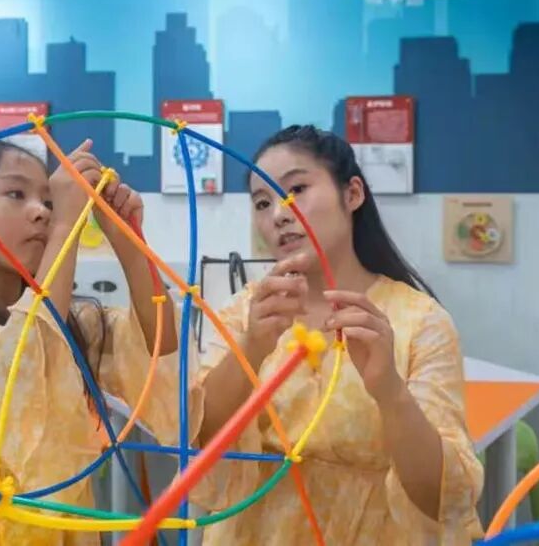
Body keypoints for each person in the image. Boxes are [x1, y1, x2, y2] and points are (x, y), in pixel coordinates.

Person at [195, 125, 483, 544]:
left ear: (353, 194)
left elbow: (442, 498)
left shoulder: (419, 322)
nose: (278, 214)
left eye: (297, 189)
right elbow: (200, 440)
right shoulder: (246, 313)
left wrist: (390, 391)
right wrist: (252, 348)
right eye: (262, 202)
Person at [0, 140, 200, 545]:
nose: (42, 211)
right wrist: (64, 227)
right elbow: (19, 368)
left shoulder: (72, 321)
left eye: (49, 200)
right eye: (16, 194)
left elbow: (161, 347)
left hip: (67, 528)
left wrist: (128, 242)